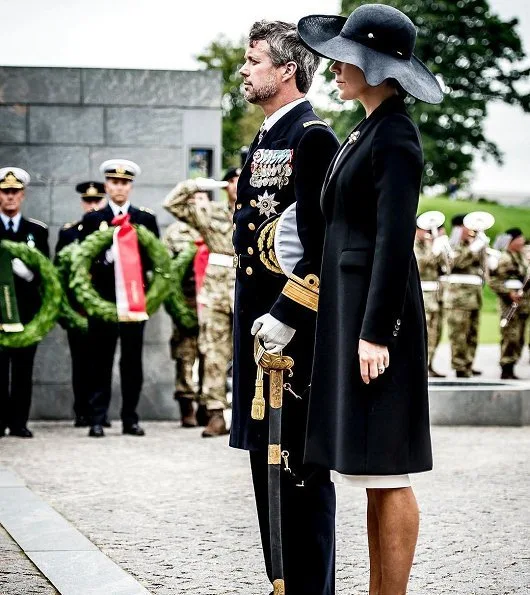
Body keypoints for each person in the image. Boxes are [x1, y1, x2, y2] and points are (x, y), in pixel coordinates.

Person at [297, 4, 443, 594]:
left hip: (378, 325)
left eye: (349, 59)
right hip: (352, 316)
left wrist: (376, 331)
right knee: (371, 471)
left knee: (391, 469)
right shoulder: (368, 128)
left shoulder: (396, 136)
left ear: (379, 69)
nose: (336, 67)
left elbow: (392, 239)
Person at [232, 21, 339, 595]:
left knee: (297, 476)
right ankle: (284, 585)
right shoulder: (266, 137)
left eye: (253, 60)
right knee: (265, 474)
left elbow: (320, 247)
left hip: (290, 342)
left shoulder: (312, 136)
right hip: (259, 335)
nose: (245, 70)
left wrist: (287, 315)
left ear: (286, 69)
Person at [79, 159, 159, 438]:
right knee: (100, 361)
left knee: (132, 362)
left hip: (135, 301)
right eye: (114, 182)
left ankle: (130, 418)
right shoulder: (92, 220)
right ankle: (97, 418)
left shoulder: (145, 219)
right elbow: (83, 261)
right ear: (106, 186)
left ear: (131, 187)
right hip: (103, 300)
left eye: (124, 183)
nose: (119, 187)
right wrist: (106, 258)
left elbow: (155, 260)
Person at [164, 175, 235, 438]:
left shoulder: (261, 206)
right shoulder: (211, 212)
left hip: (251, 287)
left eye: (242, 178)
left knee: (252, 352)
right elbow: (172, 204)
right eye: (232, 180)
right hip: (217, 289)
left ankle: (251, 414)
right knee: (213, 350)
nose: (237, 185)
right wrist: (200, 185)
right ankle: (216, 413)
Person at [0, 167, 49, 438]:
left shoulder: (36, 231)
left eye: (15, 192)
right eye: (5, 192)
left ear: (23, 195)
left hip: (26, 312)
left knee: (22, 370)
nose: (10, 197)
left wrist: (28, 273)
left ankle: (19, 422)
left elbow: (45, 272)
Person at [55, 181, 106, 427]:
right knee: (80, 362)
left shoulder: (109, 233)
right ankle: (81, 410)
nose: (92, 205)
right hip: (78, 309)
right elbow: (58, 273)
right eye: (88, 201)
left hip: (104, 307)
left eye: (97, 201)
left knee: (102, 361)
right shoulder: (69, 233)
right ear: (82, 203)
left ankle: (100, 412)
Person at [163, 203, 204, 428]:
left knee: (211, 352)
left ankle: (207, 405)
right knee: (185, 353)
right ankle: (186, 404)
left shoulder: (214, 226)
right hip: (185, 298)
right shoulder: (175, 231)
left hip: (209, 296)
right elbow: (165, 268)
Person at [446, 214, 488, 378]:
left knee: (472, 332)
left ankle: (469, 363)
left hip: (474, 297)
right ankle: (460, 365)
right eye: (467, 226)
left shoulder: (476, 244)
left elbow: (484, 269)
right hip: (459, 298)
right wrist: (473, 248)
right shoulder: (454, 245)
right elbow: (455, 263)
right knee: (459, 334)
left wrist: (481, 247)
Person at [489, 228, 529, 379]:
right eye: (519, 239)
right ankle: (506, 368)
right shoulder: (504, 258)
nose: (522, 242)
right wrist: (508, 293)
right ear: (511, 241)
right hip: (509, 304)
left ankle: (512, 365)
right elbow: (493, 280)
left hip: (523, 304)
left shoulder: (522, 257)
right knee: (510, 336)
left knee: (519, 338)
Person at [414, 220, 450, 377]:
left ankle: (429, 364)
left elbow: (447, 267)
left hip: (436, 295)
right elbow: (421, 264)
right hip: (423, 293)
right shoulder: (414, 245)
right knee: (425, 331)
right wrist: (434, 250)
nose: (427, 233)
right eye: (424, 230)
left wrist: (444, 250)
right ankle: (421, 366)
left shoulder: (431, 244)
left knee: (436, 332)